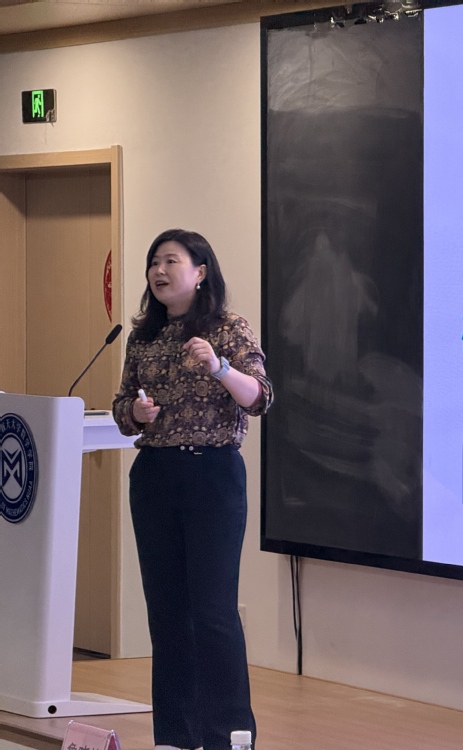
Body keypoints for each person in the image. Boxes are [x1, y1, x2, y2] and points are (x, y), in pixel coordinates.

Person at [112, 229, 273, 750]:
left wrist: (219, 366)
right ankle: (174, 736)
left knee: (213, 611)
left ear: (200, 272)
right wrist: (135, 413)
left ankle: (228, 735)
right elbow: (121, 409)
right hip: (155, 477)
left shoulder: (228, 328)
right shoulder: (143, 335)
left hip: (212, 476)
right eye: (153, 263)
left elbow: (260, 398)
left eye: (171, 261)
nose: (159, 271)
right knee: (166, 612)